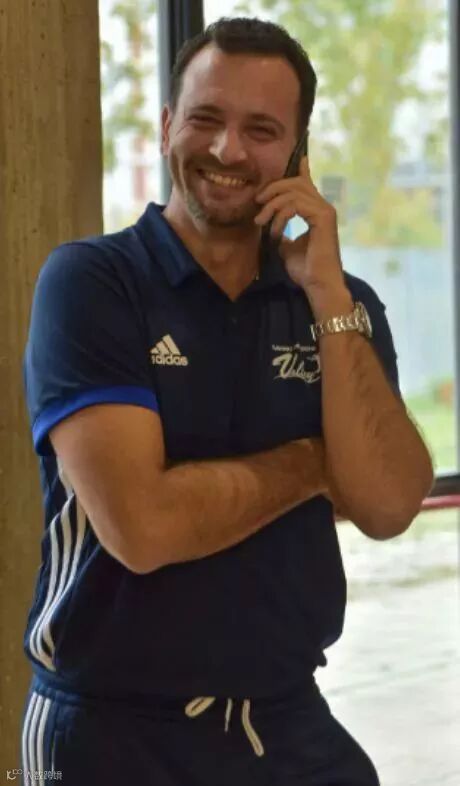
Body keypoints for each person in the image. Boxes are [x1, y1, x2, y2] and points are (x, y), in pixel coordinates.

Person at [20, 16, 433, 786]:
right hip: (113, 728)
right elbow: (142, 528)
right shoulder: (93, 284)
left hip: (284, 716)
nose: (228, 150)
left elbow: (386, 504)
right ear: (167, 127)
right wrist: (314, 463)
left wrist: (327, 291)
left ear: (298, 154)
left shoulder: (339, 304)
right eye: (205, 118)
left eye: (261, 130)